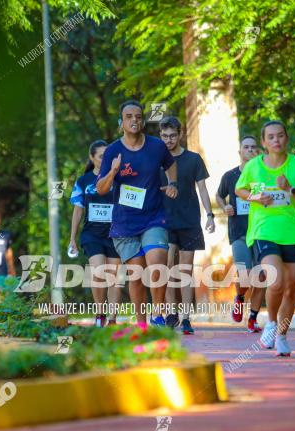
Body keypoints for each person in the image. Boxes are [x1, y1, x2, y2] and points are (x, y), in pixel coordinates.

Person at [235, 120, 295, 357]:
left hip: (292, 233)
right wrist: (257, 196)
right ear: (263, 142)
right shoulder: (253, 166)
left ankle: (282, 335)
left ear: (286, 139)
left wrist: (290, 188)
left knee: (291, 289)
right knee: (276, 281)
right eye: (270, 137)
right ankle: (271, 323)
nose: (276, 140)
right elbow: (240, 189)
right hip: (263, 230)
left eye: (280, 136)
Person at [96, 100, 179, 326]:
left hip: (153, 216)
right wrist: (113, 171)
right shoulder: (113, 151)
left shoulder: (156, 146)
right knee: (136, 275)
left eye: (139, 116)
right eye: (129, 117)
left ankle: (157, 314)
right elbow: (101, 189)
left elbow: (171, 164)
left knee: (158, 261)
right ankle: (142, 324)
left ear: (143, 121)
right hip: (125, 222)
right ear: (121, 122)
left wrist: (173, 182)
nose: (135, 120)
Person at [158, 116, 214, 335]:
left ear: (180, 135)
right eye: (164, 136)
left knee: (185, 270)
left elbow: (202, 188)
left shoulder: (193, 159)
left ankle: (186, 318)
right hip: (164, 221)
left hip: (189, 220)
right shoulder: (157, 160)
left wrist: (209, 214)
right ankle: (171, 312)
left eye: (172, 135)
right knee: (169, 267)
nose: (168, 140)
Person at [69, 140, 122, 327]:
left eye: (108, 155)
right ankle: (100, 313)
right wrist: (72, 239)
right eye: (101, 156)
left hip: (115, 234)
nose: (104, 159)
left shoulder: (118, 177)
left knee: (113, 277)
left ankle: (113, 318)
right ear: (92, 158)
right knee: (98, 271)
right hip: (92, 234)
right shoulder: (83, 181)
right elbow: (77, 210)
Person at [216, 135, 265, 333]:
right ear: (240, 151)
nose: (250, 150)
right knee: (244, 275)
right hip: (239, 232)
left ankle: (252, 318)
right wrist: (225, 206)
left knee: (261, 275)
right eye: (246, 147)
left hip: (262, 231)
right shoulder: (230, 176)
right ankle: (240, 297)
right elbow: (219, 195)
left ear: (258, 152)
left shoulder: (263, 175)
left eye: (254, 147)